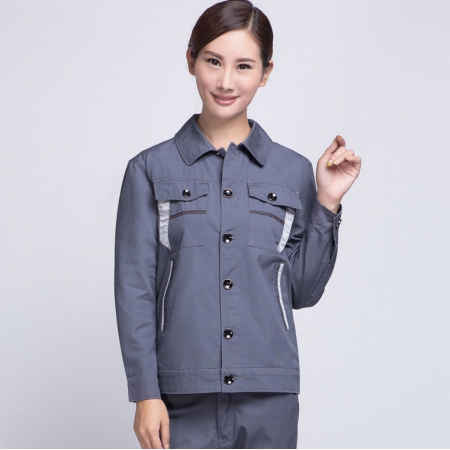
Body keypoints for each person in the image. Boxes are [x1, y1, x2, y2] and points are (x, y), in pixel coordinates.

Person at [114, 0, 361, 448]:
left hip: (270, 392)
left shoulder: (292, 171)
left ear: (265, 73)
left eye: (244, 66)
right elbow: (135, 288)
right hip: (180, 392)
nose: (226, 82)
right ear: (191, 59)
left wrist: (326, 201)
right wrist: (145, 393)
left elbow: (302, 292)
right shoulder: (148, 169)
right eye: (213, 61)